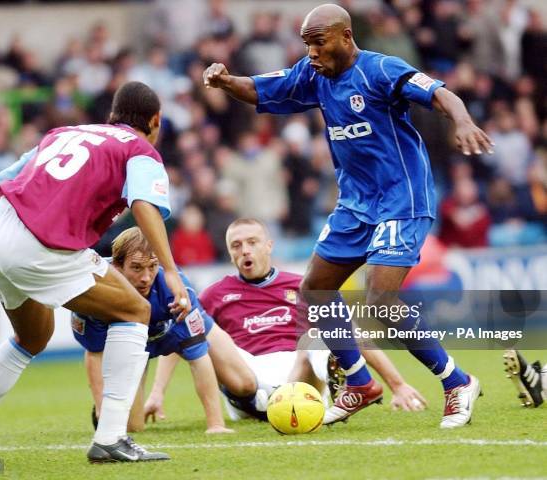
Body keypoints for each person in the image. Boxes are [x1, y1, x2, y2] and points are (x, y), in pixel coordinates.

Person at [203, 4, 494, 428]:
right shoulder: (312, 73)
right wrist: (225, 81)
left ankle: (456, 381)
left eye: (318, 43)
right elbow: (262, 89)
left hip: (401, 199)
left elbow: (440, 93)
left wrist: (463, 121)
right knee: (315, 288)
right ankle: (359, 382)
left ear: (345, 36)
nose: (312, 53)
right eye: (307, 44)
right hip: (355, 205)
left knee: (379, 298)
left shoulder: (380, 70)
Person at [0, 81, 191, 465]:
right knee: (135, 311)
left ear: (111, 116)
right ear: (156, 121)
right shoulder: (140, 149)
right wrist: (169, 271)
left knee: (32, 336)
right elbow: (144, 204)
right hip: (35, 242)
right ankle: (111, 437)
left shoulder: (64, 132)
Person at [145, 218, 428, 422]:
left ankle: (333, 375)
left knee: (320, 333)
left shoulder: (304, 286)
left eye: (252, 242)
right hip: (246, 372)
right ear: (230, 253)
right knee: (193, 323)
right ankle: (279, 391)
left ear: (269, 246)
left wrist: (398, 385)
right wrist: (157, 393)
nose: (245, 250)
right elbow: (183, 338)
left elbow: (354, 334)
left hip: (298, 371)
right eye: (237, 245)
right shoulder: (216, 293)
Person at [71, 226, 236, 434]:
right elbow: (95, 353)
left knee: (243, 383)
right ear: (117, 266)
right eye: (137, 268)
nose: (146, 278)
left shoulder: (176, 291)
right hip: (132, 345)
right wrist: (103, 410)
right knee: (132, 427)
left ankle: (243, 404)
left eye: (152, 267)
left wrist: (216, 425)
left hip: (170, 330)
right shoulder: (94, 289)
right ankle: (109, 404)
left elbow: (198, 356)